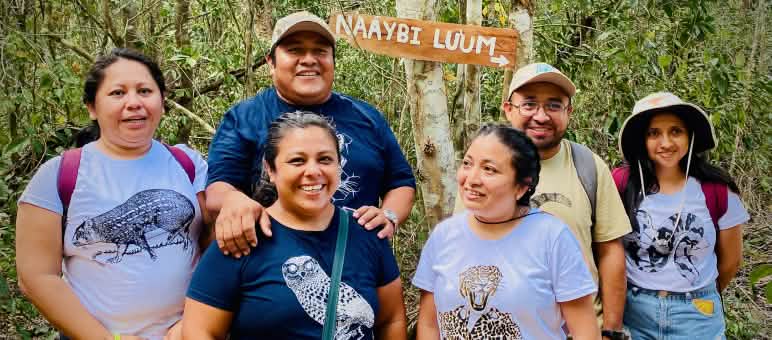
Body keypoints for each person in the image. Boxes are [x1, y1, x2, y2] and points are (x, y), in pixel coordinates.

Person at [15, 48, 209, 340]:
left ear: (162, 101)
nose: (134, 103)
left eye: (145, 91)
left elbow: (212, 245)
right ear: (92, 107)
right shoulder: (58, 175)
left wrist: (197, 323)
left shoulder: (188, 164)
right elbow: (36, 276)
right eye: (118, 93)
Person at [205, 11, 415, 257]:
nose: (309, 60)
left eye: (320, 51)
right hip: (271, 262)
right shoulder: (244, 117)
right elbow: (217, 189)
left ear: (333, 61)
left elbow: (400, 182)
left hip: (357, 260)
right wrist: (234, 200)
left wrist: (388, 216)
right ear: (271, 62)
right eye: (295, 50)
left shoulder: (367, 117)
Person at [183, 111, 407, 339]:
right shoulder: (243, 236)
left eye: (325, 159)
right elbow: (199, 330)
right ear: (270, 169)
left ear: (339, 166)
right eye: (297, 161)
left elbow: (391, 319)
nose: (313, 171)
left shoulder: (366, 232)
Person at [415, 123, 600, 339]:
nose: (472, 179)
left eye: (489, 169)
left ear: (521, 186)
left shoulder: (552, 237)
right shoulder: (443, 236)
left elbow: (586, 332)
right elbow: (429, 324)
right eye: (467, 163)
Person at [491, 62, 631, 339]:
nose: (541, 116)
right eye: (529, 104)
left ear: (569, 112)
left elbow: (610, 250)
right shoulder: (484, 168)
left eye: (554, 105)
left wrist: (611, 330)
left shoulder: (588, 166)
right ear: (508, 109)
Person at [614, 92, 747, 339]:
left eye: (675, 131)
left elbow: (731, 261)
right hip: (633, 311)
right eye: (654, 133)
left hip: (696, 316)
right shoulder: (622, 183)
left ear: (689, 136)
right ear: (642, 140)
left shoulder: (717, 189)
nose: (665, 143)